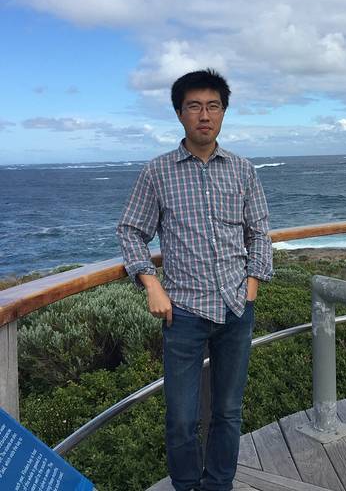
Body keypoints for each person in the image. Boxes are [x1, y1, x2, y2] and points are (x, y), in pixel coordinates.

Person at [116, 69, 273, 491]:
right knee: (182, 417)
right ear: (179, 113)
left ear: (223, 112)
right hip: (183, 312)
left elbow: (259, 231)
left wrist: (252, 284)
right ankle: (186, 486)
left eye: (213, 106)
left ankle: (219, 484)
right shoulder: (157, 172)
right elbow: (130, 230)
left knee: (228, 411)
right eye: (194, 106)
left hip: (236, 307)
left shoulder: (243, 170)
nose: (205, 115)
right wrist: (151, 283)